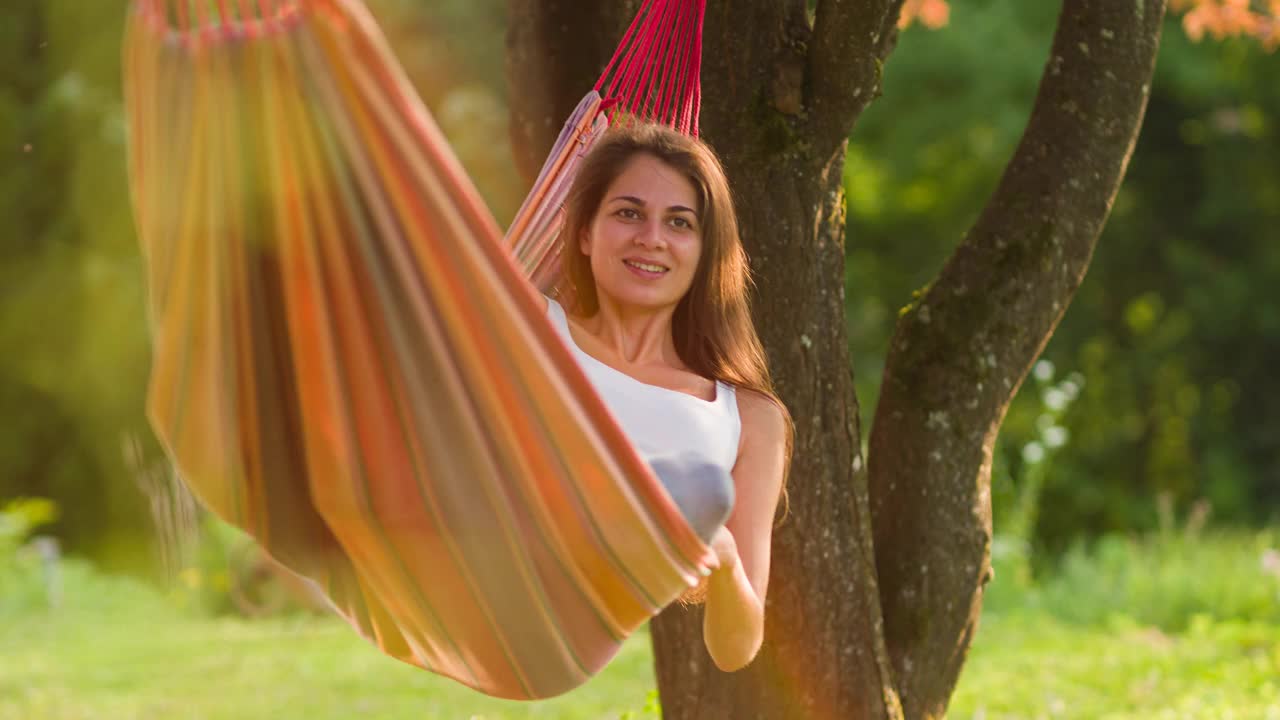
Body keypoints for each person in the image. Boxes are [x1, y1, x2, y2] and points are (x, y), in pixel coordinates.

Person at [532, 123, 792, 672]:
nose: (652, 237)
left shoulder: (748, 417)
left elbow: (737, 647)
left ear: (704, 251)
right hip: (495, 560)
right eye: (628, 213)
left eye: (679, 223)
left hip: (571, 627)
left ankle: (671, 503)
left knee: (695, 489)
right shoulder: (528, 325)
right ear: (583, 233)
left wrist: (723, 561)